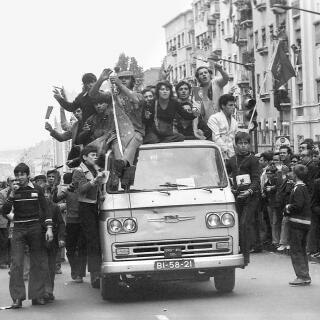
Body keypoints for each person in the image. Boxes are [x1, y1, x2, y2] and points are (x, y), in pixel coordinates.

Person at [2, 163, 53, 308]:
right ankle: (17, 299)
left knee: (37, 262)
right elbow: (4, 210)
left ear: (27, 175)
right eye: (17, 175)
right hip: (18, 228)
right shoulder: (13, 191)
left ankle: (37, 296)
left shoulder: (37, 189)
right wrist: (11, 194)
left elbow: (46, 209)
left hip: (35, 227)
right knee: (16, 263)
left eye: (22, 175)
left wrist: (49, 229)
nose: (19, 178)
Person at [72, 145, 105, 288]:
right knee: (92, 241)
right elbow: (80, 190)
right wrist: (94, 181)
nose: (95, 157)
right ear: (84, 157)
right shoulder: (78, 171)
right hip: (85, 208)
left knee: (87, 241)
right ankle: (95, 275)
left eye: (96, 154)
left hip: (95, 206)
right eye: (92, 154)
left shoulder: (96, 169)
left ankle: (81, 272)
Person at [226, 132, 260, 265]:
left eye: (246, 143)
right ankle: (238, 251)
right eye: (241, 143)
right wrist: (231, 188)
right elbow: (224, 173)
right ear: (236, 144)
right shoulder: (232, 160)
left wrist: (250, 191)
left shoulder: (253, 160)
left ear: (249, 145)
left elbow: (256, 179)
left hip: (251, 197)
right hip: (237, 196)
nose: (243, 146)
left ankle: (245, 257)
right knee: (237, 225)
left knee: (245, 223)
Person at [53, 172, 87, 283]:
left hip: (84, 222)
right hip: (72, 223)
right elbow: (55, 200)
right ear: (72, 179)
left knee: (82, 248)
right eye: (76, 178)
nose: (77, 180)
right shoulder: (67, 190)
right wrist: (54, 188)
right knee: (71, 248)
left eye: (80, 177)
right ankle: (75, 271)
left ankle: (80, 273)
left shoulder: (86, 189)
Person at [284, 164, 312, 286]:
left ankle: (301, 276)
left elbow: (298, 205)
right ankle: (305, 274)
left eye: (291, 171)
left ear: (295, 175)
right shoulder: (303, 187)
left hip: (297, 223)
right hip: (305, 223)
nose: (290, 173)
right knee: (301, 250)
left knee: (296, 250)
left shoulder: (298, 188)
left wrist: (288, 207)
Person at [207, 94, 238, 160]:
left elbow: (234, 140)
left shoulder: (234, 122)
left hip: (232, 156)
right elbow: (215, 137)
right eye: (230, 105)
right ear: (223, 106)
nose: (233, 107)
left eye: (234, 105)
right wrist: (226, 150)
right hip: (217, 155)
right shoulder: (214, 118)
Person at [262, 166, 281, 249]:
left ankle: (276, 241)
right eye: (267, 173)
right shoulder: (267, 182)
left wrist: (271, 188)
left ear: (274, 174)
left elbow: (278, 188)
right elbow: (265, 191)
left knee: (275, 222)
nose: (269, 175)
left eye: (270, 173)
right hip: (269, 204)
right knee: (271, 222)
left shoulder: (276, 181)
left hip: (276, 205)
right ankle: (274, 240)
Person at [0, 177, 14, 269]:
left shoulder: (21, 190)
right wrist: (11, 216)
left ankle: (11, 261)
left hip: (16, 220)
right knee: (4, 242)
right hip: (4, 220)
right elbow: (1, 206)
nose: (14, 183)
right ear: (8, 183)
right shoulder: (2, 193)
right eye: (12, 181)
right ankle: (3, 261)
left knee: (12, 242)